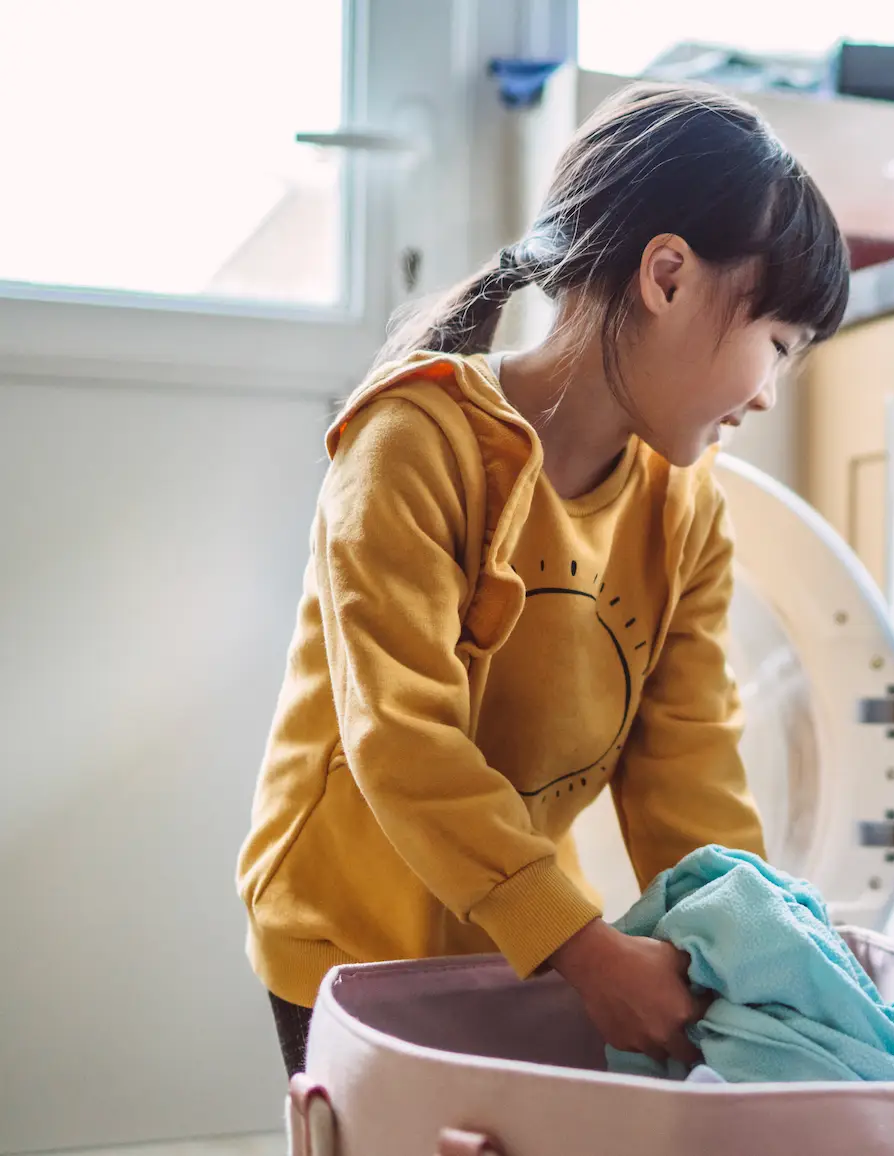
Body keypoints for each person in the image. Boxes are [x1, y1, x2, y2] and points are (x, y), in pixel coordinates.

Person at [236, 81, 849, 1078]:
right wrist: (587, 950)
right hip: (344, 934)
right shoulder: (414, 441)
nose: (768, 392)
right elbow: (403, 738)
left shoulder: (684, 513)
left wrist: (755, 944)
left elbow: (687, 770)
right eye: (774, 345)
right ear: (666, 276)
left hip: (510, 931)